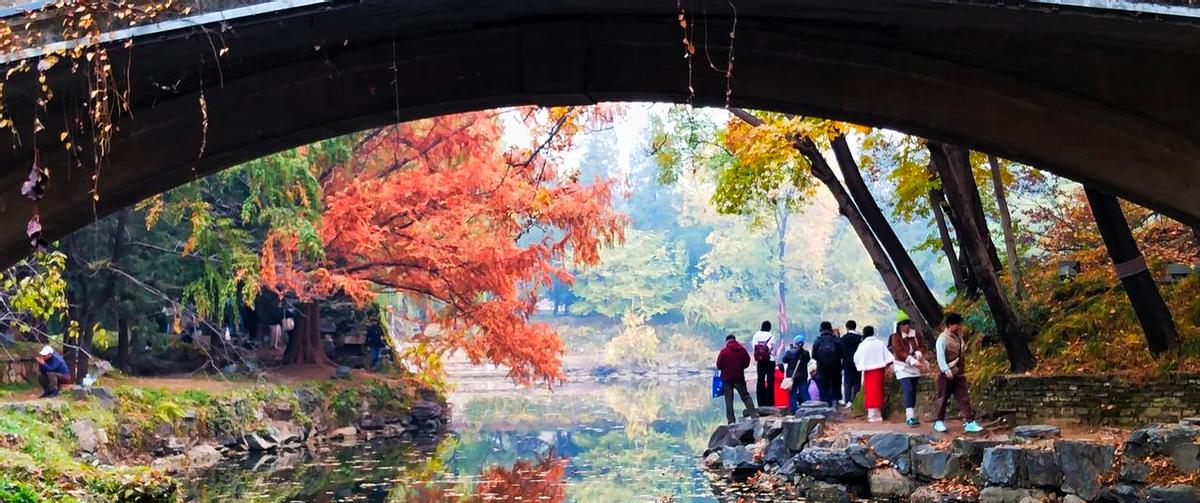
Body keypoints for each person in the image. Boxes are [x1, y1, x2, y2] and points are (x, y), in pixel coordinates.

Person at [934, 313, 983, 433]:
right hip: (946, 375)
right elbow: (940, 357)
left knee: (963, 397)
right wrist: (946, 370)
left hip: (958, 373)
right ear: (950, 325)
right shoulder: (942, 339)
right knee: (943, 398)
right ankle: (939, 421)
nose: (960, 327)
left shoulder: (958, 337)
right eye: (957, 324)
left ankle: (970, 421)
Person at [890, 314, 928, 427]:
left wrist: (919, 352)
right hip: (902, 366)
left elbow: (923, 346)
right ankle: (909, 416)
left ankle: (912, 415)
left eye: (908, 323)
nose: (906, 326)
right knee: (908, 389)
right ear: (899, 326)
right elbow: (898, 351)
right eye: (903, 324)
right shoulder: (895, 337)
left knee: (914, 390)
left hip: (915, 366)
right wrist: (910, 359)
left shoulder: (916, 334)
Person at [852, 326, 893, 422]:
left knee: (870, 391)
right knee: (878, 390)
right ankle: (878, 413)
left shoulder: (862, 345)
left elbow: (856, 357)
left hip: (868, 371)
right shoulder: (879, 343)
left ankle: (871, 414)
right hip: (879, 370)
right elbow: (888, 357)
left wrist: (861, 364)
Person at [716, 334, 760, 424]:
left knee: (729, 400)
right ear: (735, 340)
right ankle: (754, 415)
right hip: (739, 377)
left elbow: (719, 365)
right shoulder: (742, 350)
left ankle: (731, 421)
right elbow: (747, 362)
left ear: (727, 341)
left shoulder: (724, 351)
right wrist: (740, 367)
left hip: (727, 379)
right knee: (746, 397)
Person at [811, 321, 843, 407]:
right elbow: (842, 354)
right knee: (835, 385)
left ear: (821, 329)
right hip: (836, 368)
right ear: (830, 329)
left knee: (823, 387)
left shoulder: (817, 341)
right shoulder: (836, 340)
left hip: (822, 368)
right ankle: (835, 404)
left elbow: (813, 355)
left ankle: (824, 406)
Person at [751, 321, 779, 407]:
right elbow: (774, 350)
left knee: (760, 380)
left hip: (760, 361)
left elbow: (754, 348)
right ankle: (769, 402)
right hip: (770, 360)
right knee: (770, 381)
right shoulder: (771, 336)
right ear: (769, 328)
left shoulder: (756, 336)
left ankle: (760, 402)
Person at [779, 335, 810, 413]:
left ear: (795, 342)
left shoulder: (790, 352)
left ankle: (793, 410)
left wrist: (790, 349)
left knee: (792, 394)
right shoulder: (806, 353)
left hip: (792, 377)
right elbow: (807, 361)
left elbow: (784, 360)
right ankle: (808, 409)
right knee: (804, 393)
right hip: (803, 376)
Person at [839, 320, 864, 408]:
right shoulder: (860, 338)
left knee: (847, 383)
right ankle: (856, 400)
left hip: (847, 363)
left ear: (847, 327)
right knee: (857, 382)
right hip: (858, 363)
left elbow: (840, 351)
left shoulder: (843, 338)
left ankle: (847, 401)